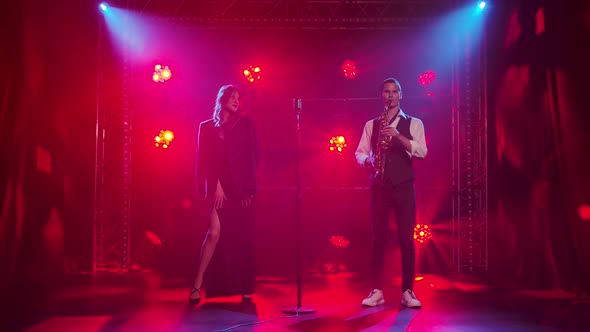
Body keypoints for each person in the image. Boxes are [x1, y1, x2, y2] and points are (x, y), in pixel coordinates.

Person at [355, 78, 427, 308]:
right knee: (378, 241)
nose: (390, 95)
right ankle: (377, 290)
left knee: (406, 240)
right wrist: (369, 160)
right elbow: (359, 153)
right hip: (380, 186)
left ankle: (408, 291)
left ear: (401, 95)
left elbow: (422, 152)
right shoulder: (371, 124)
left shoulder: (414, 123)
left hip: (404, 187)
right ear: (381, 95)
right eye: (386, 91)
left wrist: (397, 136)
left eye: (394, 92)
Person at [189, 84, 260, 305]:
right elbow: (205, 160)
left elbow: (253, 156)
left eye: (239, 98)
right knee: (214, 234)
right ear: (222, 99)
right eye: (232, 97)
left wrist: (249, 188)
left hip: (240, 188)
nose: (236, 101)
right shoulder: (207, 127)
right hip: (218, 188)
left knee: (242, 237)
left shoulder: (245, 124)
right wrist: (213, 187)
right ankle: (197, 285)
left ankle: (245, 287)